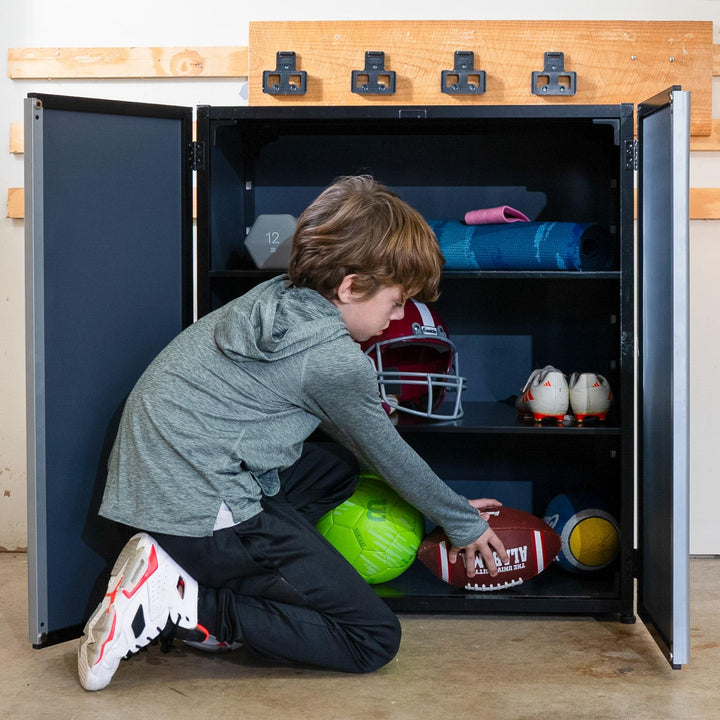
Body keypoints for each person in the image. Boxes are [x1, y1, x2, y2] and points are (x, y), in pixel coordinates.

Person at [77, 175, 508, 691]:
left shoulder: (278, 296)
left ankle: (198, 568)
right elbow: (390, 453)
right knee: (371, 638)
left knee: (336, 469)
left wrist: (442, 508)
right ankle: (184, 601)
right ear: (349, 286)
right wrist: (461, 521)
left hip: (152, 482)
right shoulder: (333, 361)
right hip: (195, 504)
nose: (398, 317)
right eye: (396, 302)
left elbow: (359, 447)